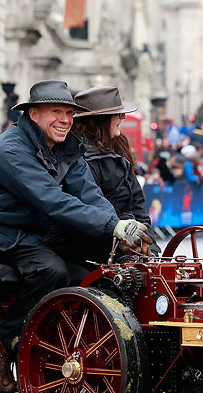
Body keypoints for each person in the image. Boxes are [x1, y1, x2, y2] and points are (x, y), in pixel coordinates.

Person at [0, 80, 151, 393]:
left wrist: (119, 227)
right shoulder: (11, 149)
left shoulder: (69, 148)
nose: (65, 119)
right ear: (34, 114)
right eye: (56, 112)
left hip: (19, 234)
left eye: (69, 113)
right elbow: (52, 200)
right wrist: (115, 228)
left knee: (55, 271)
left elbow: (91, 196)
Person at [67, 85, 160, 264]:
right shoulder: (75, 158)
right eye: (118, 114)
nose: (123, 118)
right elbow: (88, 212)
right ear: (97, 121)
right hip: (98, 248)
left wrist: (152, 248)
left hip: (129, 241)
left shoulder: (119, 149)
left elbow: (137, 206)